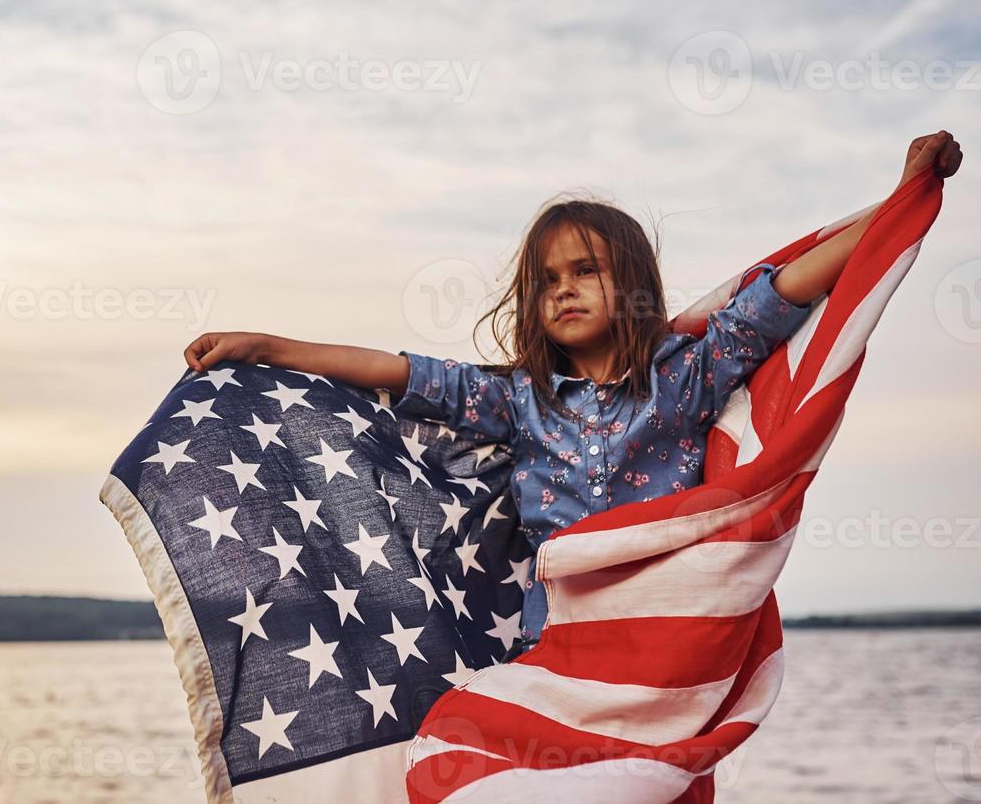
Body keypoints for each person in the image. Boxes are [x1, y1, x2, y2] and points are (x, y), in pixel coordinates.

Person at [183, 131, 962, 655]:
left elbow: (789, 286)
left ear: (630, 283)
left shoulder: (685, 377)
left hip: (661, 632)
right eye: (547, 280)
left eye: (584, 271)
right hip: (555, 639)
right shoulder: (521, 400)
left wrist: (900, 197)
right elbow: (400, 371)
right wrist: (269, 347)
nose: (564, 290)